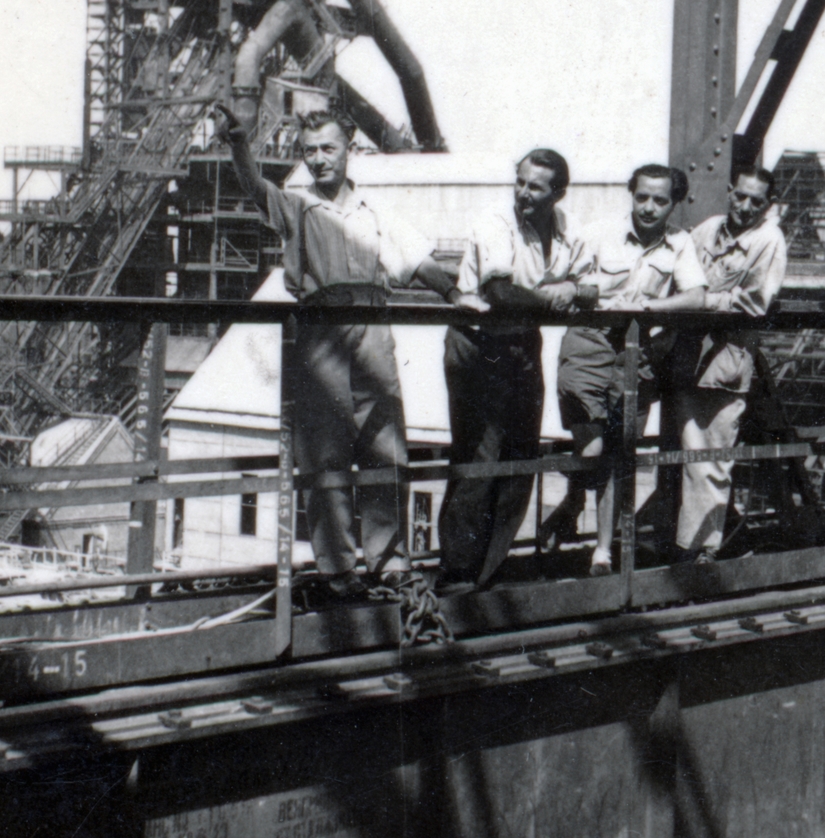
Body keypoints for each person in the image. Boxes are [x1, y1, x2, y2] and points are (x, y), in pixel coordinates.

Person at [215, 104, 456, 593]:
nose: (320, 159)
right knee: (324, 452)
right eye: (310, 152)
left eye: (329, 148)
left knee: (384, 443)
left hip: (372, 324)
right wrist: (240, 146)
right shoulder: (297, 205)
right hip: (320, 327)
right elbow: (254, 188)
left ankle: (389, 560)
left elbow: (419, 261)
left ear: (350, 148)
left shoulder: (374, 210)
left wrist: (456, 295)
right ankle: (339, 569)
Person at [438, 149, 595, 590]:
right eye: (520, 182)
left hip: (523, 342)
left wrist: (572, 288)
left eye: (536, 187)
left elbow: (591, 287)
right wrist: (553, 295)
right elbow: (501, 294)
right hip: (479, 343)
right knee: (480, 458)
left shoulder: (566, 230)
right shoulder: (495, 221)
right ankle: (457, 576)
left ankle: (489, 571)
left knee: (521, 456)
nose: (524, 193)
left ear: (558, 193)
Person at [542, 165, 707, 574]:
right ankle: (575, 498)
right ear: (631, 194)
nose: (649, 207)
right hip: (589, 341)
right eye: (642, 197)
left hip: (638, 350)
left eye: (660, 200)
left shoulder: (680, 244)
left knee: (619, 450)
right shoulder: (599, 233)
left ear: (674, 203)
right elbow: (564, 281)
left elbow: (697, 297)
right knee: (594, 445)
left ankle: (602, 551)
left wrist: (648, 308)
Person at [669, 164, 788, 559]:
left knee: (711, 457)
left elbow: (754, 301)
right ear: (729, 191)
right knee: (689, 455)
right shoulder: (708, 228)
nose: (746, 206)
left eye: (757, 201)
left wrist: (702, 298)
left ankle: (701, 552)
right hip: (687, 355)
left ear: (768, 204)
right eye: (740, 195)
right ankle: (684, 542)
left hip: (724, 362)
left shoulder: (769, 240)